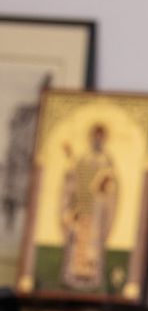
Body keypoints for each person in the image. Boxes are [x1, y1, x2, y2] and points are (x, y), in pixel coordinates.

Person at [59, 122, 118, 291]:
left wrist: (102, 189)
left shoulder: (106, 162)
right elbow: (73, 183)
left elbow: (110, 189)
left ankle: (90, 276)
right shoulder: (82, 159)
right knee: (77, 244)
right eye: (95, 136)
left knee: (92, 245)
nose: (97, 140)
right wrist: (71, 207)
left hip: (97, 212)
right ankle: (74, 274)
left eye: (100, 137)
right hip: (80, 211)